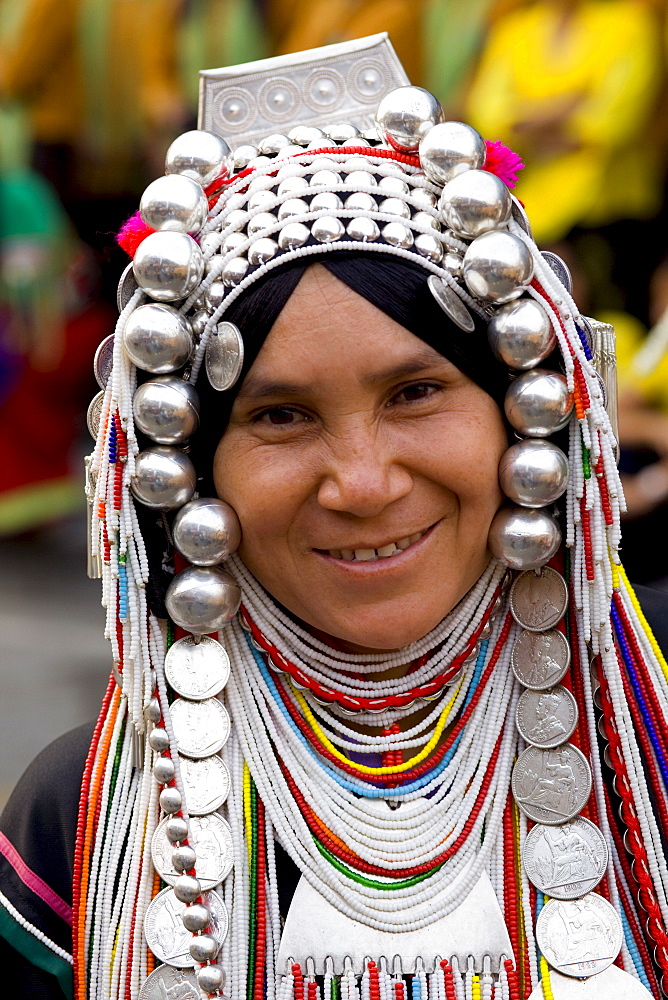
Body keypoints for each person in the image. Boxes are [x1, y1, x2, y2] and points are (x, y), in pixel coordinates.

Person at [1, 43, 667, 1000]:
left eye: (415, 392)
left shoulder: (653, 718)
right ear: (191, 469)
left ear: (525, 409)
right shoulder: (82, 818)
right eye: (279, 416)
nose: (361, 482)